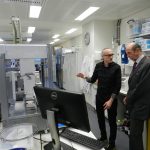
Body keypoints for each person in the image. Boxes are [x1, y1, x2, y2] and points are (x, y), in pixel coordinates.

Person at [77, 48, 121, 150]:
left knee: (111, 121)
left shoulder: (116, 68)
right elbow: (92, 79)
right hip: (100, 97)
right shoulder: (98, 66)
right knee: (100, 119)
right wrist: (84, 77)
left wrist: (111, 100)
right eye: (108, 55)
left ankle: (112, 143)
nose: (111, 56)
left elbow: (117, 86)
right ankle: (103, 137)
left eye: (112, 55)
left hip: (111, 99)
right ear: (103, 57)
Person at [124, 43, 150, 150]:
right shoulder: (137, 64)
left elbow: (141, 88)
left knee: (135, 135)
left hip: (140, 106)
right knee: (134, 134)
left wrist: (128, 98)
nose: (127, 56)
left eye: (129, 53)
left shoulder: (147, 64)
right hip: (135, 104)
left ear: (137, 51)